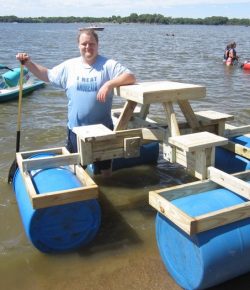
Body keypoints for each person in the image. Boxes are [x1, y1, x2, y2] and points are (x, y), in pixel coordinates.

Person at [16, 29, 136, 177]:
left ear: (97, 45)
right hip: (76, 130)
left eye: (91, 43)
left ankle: (103, 191)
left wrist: (109, 84)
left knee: (106, 172)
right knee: (75, 171)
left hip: (103, 130)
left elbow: (130, 76)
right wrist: (28, 63)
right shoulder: (69, 66)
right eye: (84, 43)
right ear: (78, 45)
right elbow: (46, 75)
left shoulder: (108, 65)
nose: (88, 47)